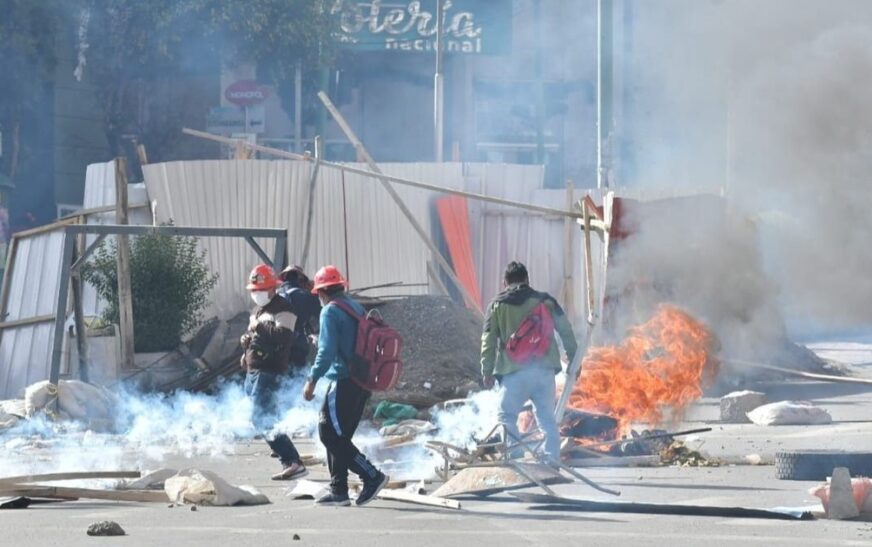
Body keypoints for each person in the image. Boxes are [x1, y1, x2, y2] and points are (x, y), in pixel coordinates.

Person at [302, 265, 389, 507]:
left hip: (343, 381)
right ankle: (338, 490)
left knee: (328, 433)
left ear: (322, 292)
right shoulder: (354, 307)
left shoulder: (329, 311)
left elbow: (326, 353)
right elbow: (347, 342)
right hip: (361, 379)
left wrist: (311, 380)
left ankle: (372, 475)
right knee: (339, 436)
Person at [480, 261, 578, 461]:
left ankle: (515, 460)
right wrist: (575, 361)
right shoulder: (546, 301)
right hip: (544, 373)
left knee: (507, 417)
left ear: (504, 282)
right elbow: (566, 331)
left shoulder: (496, 305)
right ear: (527, 279)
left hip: (513, 373)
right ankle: (552, 461)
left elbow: (488, 341)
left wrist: (486, 371)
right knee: (546, 419)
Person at [240, 263, 308, 481]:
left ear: (272, 289)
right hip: (254, 370)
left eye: (259, 291)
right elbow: (257, 335)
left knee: (261, 417)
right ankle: (287, 457)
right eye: (253, 291)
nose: (256, 295)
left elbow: (283, 336)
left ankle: (292, 461)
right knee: (263, 416)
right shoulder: (259, 310)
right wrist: (246, 344)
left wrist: (257, 326)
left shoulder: (284, 309)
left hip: (269, 371)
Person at [277, 265, 322, 369]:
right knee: (296, 381)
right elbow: (322, 312)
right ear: (300, 279)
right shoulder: (303, 296)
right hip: (296, 347)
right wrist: (313, 292)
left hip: (276, 349)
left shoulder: (274, 295)